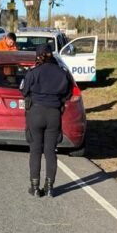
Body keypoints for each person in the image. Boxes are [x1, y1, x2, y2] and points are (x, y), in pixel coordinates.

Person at [20, 42, 73, 198]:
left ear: (38, 56)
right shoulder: (62, 72)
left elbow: (23, 90)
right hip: (54, 114)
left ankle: (35, 187)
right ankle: (50, 187)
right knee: (50, 152)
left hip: (36, 112)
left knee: (35, 151)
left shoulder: (33, 72)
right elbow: (68, 93)